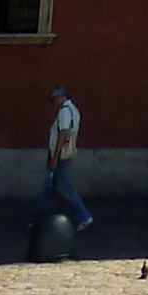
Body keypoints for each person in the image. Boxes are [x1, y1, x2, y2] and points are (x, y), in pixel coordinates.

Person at [40, 87, 91, 233]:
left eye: (54, 99)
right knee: (50, 188)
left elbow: (62, 134)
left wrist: (54, 157)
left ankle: (83, 216)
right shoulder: (73, 110)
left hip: (60, 156)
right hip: (64, 154)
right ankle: (43, 218)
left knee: (65, 189)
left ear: (60, 97)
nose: (54, 103)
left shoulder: (64, 112)